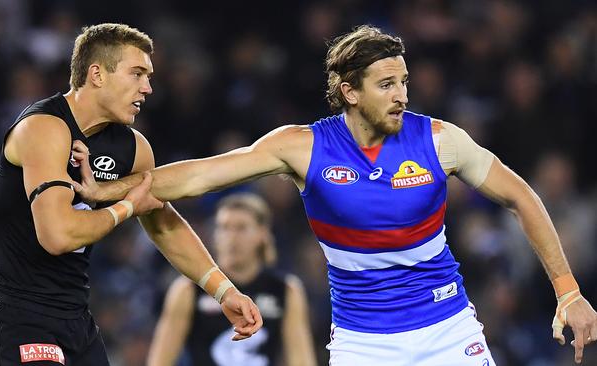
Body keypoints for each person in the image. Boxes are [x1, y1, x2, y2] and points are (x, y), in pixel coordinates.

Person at [76, 25, 597, 365]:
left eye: (404, 82)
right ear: (350, 91)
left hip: (448, 330)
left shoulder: (441, 141)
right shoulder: (302, 148)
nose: (402, 95)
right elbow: (196, 178)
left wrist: (568, 291)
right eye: (387, 84)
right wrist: (109, 191)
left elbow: (522, 196)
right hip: (362, 345)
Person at [0, 23, 261, 366]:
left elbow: (164, 225)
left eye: (149, 76)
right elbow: (57, 235)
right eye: (137, 74)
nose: (148, 88)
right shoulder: (43, 128)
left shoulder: (133, 147)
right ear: (97, 74)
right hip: (20, 316)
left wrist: (224, 291)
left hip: (77, 320)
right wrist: (126, 206)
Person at [147, 193, 317, 366]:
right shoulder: (188, 289)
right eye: (224, 227)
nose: (232, 237)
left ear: (262, 234)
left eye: (241, 228)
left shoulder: (285, 290)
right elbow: (160, 361)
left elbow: (301, 359)